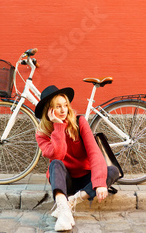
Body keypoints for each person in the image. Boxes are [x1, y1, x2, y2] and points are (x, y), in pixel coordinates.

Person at [34, 85, 120, 231]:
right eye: (58, 106)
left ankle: (70, 203)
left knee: (113, 171)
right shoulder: (42, 133)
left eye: (65, 105)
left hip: (86, 178)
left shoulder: (79, 122)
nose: (63, 110)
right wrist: (58, 127)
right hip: (65, 180)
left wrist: (99, 182)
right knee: (54, 164)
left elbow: (94, 152)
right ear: (49, 110)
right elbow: (58, 155)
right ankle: (63, 208)